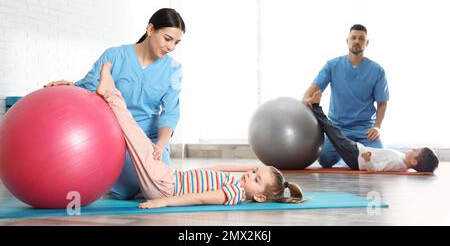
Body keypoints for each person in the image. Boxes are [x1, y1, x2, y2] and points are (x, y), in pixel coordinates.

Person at [96, 62, 306, 208]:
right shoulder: (233, 181)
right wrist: (248, 167)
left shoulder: (234, 194)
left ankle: (111, 94)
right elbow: (216, 168)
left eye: (256, 178)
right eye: (253, 171)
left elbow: (200, 199)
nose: (250, 174)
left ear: (259, 197)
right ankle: (111, 93)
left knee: (134, 135)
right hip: (166, 179)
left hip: (165, 186)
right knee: (138, 141)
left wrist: (163, 202)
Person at [45, 8, 185, 199]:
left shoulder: (173, 69)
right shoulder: (114, 56)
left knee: (161, 186)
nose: (171, 47)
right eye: (167, 39)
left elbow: (171, 112)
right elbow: (88, 86)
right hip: (116, 137)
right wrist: (68, 87)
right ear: (150, 29)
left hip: (150, 139)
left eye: (176, 42)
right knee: (127, 188)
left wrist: (160, 145)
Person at [302, 24, 389, 168]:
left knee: (377, 159)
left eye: (361, 38)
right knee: (324, 160)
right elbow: (313, 88)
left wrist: (377, 126)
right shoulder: (332, 65)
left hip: (365, 129)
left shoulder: (377, 70)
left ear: (366, 43)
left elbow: (382, 103)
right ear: (347, 40)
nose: (357, 41)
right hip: (338, 128)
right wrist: (306, 99)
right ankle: (350, 154)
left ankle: (350, 153)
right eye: (353, 37)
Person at [307, 90, 439, 173]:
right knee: (335, 134)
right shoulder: (401, 160)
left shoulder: (398, 163)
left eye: (416, 151)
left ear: (414, 162)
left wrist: (368, 161)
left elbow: (379, 168)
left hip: (358, 156)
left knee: (334, 133)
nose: (414, 148)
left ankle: (316, 107)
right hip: (358, 152)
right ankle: (316, 109)